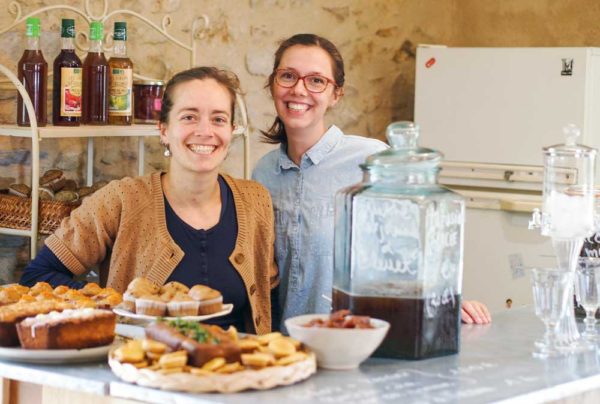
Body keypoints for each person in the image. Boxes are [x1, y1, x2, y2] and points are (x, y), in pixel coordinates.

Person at [252, 33, 491, 329]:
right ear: (273, 84)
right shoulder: (263, 174)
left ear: (336, 94)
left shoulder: (372, 161)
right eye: (288, 76)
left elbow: (413, 251)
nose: (299, 89)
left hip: (356, 343)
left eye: (316, 80)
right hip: (287, 348)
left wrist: (449, 301)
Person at [20, 66, 278, 334]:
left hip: (237, 368)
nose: (205, 131)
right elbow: (37, 276)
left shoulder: (255, 200)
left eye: (219, 119)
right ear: (163, 130)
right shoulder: (123, 199)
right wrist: (117, 306)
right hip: (141, 367)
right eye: (189, 117)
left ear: (232, 130)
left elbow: (268, 298)